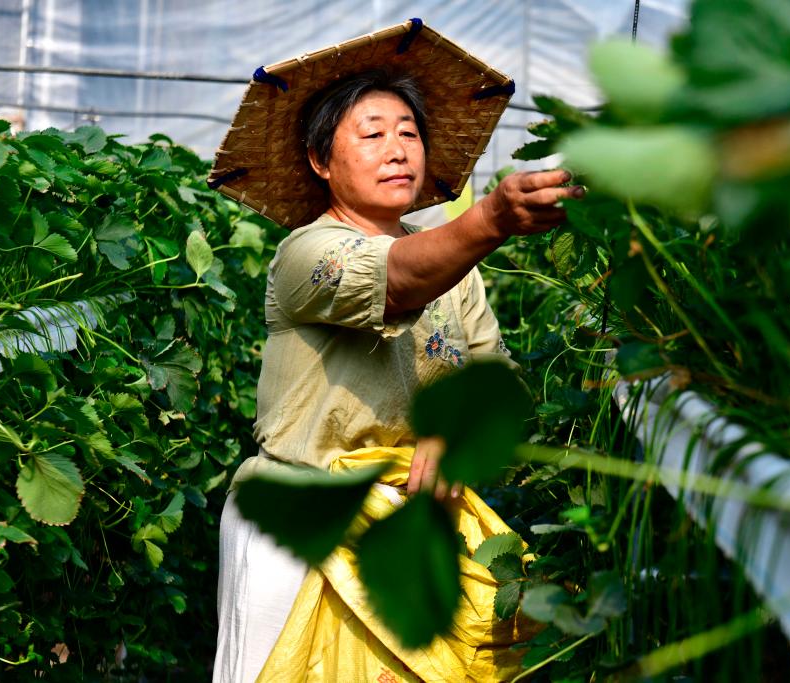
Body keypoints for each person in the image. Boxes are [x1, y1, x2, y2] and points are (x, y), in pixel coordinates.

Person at [209, 21, 582, 683]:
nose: (397, 150)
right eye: (372, 134)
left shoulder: (459, 273)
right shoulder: (304, 253)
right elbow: (397, 277)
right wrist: (490, 220)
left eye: (409, 133)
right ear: (321, 161)